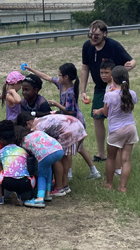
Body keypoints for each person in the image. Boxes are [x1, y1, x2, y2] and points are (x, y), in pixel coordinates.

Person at [25, 63, 101, 180]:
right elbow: (46, 77)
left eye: (59, 75)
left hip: (73, 122)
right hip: (69, 122)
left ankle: (68, 174)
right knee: (78, 148)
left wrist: (56, 104)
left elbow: (70, 111)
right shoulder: (61, 85)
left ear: (66, 77)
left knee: (68, 149)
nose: (57, 77)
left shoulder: (70, 92)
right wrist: (31, 69)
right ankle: (93, 171)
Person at [81, 20, 136, 162]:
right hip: (99, 88)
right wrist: (83, 90)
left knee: (116, 118)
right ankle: (101, 153)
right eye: (91, 34)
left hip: (115, 88)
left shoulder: (114, 46)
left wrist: (126, 69)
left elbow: (132, 61)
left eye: (97, 35)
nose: (93, 38)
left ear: (104, 34)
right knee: (97, 117)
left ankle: (119, 149)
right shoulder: (87, 46)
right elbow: (85, 68)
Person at [17, 112, 87, 196]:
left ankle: (59, 187)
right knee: (65, 156)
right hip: (75, 125)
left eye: (26, 129)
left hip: (68, 130)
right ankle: (64, 184)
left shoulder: (38, 127)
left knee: (55, 157)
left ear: (28, 123)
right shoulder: (41, 119)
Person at [93, 66, 138, 192]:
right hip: (131, 128)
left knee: (111, 157)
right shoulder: (132, 93)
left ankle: (109, 183)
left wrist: (107, 97)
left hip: (116, 130)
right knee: (126, 159)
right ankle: (123, 187)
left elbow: (106, 114)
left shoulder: (109, 95)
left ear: (112, 78)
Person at [0, 120, 36, 205]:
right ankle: (20, 197)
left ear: (1, 141)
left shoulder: (1, 152)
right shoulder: (23, 150)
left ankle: (0, 197)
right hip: (26, 184)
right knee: (24, 168)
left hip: (8, 183)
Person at [15, 125, 63, 208]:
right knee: (48, 168)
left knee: (42, 175)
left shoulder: (24, 142)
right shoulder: (37, 132)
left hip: (45, 155)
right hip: (58, 149)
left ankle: (39, 198)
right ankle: (47, 193)